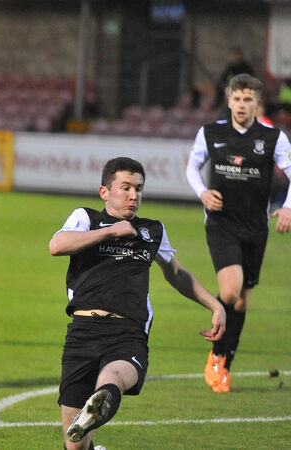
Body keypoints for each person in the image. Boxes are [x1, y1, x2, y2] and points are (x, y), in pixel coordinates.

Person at [50, 157, 225, 450]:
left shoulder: (151, 230)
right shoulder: (86, 218)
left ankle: (103, 396)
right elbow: (57, 245)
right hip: (82, 332)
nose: (134, 195)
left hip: (127, 332)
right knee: (75, 446)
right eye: (126, 188)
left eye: (139, 189)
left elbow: (177, 273)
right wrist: (111, 231)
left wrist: (216, 305)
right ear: (105, 192)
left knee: (112, 379)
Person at [185, 73, 291, 393]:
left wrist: (287, 208)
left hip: (255, 227)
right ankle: (216, 355)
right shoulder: (210, 133)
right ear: (228, 100)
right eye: (237, 98)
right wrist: (203, 192)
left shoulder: (274, 138)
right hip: (221, 222)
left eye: (248, 99)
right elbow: (192, 167)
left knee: (242, 303)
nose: (242, 105)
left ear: (257, 103)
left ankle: (224, 364)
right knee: (230, 293)